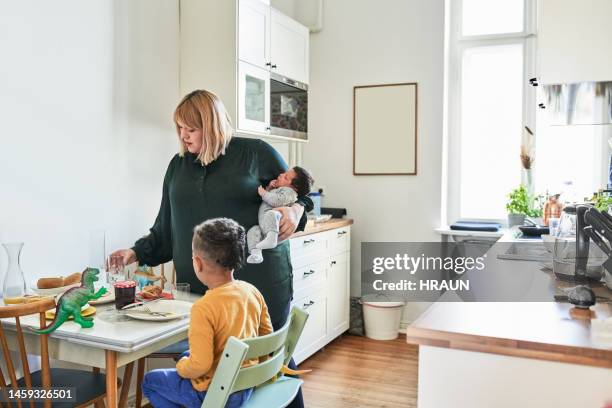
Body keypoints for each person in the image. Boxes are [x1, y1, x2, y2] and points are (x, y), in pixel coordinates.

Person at [109, 89, 310, 407]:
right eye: (179, 128)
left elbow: (301, 196)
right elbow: (165, 228)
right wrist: (135, 252)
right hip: (200, 292)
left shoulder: (255, 152)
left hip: (262, 284)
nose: (183, 136)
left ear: (212, 125)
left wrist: (295, 212)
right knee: (214, 374)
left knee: (269, 362)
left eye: (191, 128)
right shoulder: (177, 167)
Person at [141, 218, 272, 408]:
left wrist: (181, 367)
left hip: (219, 393)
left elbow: (200, 366)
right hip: (246, 385)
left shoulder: (204, 307)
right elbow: (266, 335)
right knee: (187, 354)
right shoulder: (251, 291)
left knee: (151, 381)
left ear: (198, 263)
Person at [247, 166, 314, 264]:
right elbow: (272, 199)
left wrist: (264, 193)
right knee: (253, 231)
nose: (281, 174)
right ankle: (256, 253)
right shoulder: (282, 189)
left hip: (274, 225)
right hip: (264, 224)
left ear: (294, 188)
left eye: (285, 177)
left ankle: (271, 238)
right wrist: (270, 188)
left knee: (272, 214)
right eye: (284, 173)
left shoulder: (290, 193)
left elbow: (276, 200)